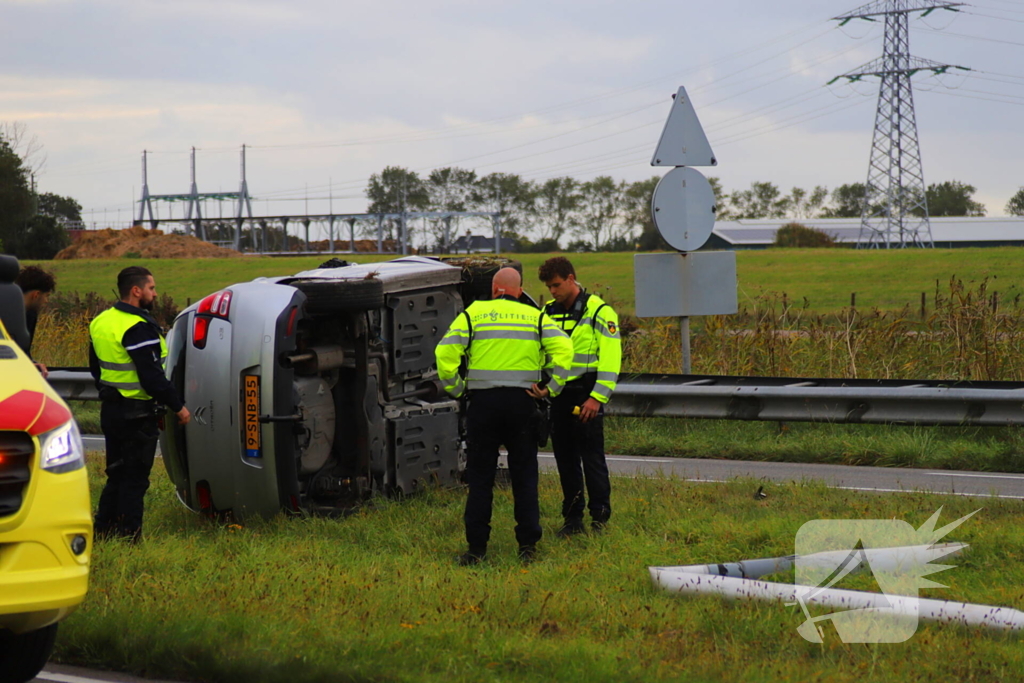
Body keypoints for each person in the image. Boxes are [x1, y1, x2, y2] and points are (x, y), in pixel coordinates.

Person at [436, 267, 572, 566]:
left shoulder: (474, 314)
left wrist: (459, 390)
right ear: (518, 290)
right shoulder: (535, 316)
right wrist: (551, 388)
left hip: (483, 405)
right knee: (525, 477)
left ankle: (476, 550)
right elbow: (565, 349)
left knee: (480, 478)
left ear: (495, 289)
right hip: (523, 404)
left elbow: (445, 355)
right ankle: (528, 548)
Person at [89, 266, 190, 542]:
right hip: (136, 414)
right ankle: (129, 538)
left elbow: (95, 369)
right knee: (134, 479)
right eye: (152, 288)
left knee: (116, 473)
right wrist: (178, 407)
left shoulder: (101, 321)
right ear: (137, 291)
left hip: (111, 410)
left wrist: (112, 391)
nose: (155, 293)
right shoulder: (138, 327)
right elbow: (152, 376)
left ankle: (104, 531)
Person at [532, 256, 621, 536]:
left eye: (557, 285)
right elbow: (539, 353)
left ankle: (599, 519)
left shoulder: (599, 311)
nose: (553, 291)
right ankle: (572, 520)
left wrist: (597, 398)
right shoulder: (547, 312)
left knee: (592, 458)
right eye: (549, 287)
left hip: (587, 392)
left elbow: (610, 360)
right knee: (565, 459)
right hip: (558, 395)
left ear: (571, 279)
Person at [14, 265, 56, 377]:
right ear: (36, 295)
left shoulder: (30, 314)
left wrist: (32, 363)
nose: (46, 301)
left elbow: (23, 351)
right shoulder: (6, 314)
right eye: (46, 296)